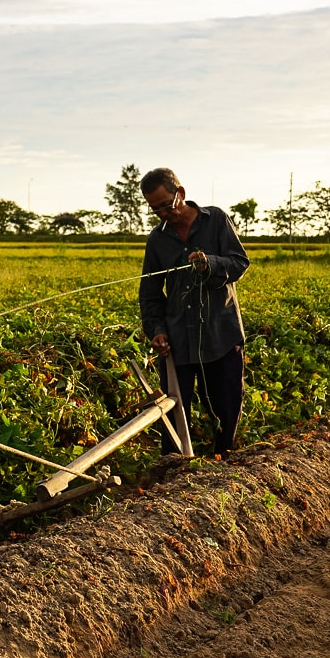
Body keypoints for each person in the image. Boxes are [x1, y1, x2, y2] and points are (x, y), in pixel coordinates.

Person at [138, 168, 250, 455]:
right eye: (156, 209)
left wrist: (210, 263)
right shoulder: (157, 241)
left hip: (220, 334)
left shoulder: (216, 220)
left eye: (167, 204)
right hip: (178, 340)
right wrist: (157, 330)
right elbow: (150, 294)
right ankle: (173, 472)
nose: (164, 213)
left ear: (181, 194)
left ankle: (224, 461)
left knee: (225, 406)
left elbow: (239, 263)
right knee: (175, 412)